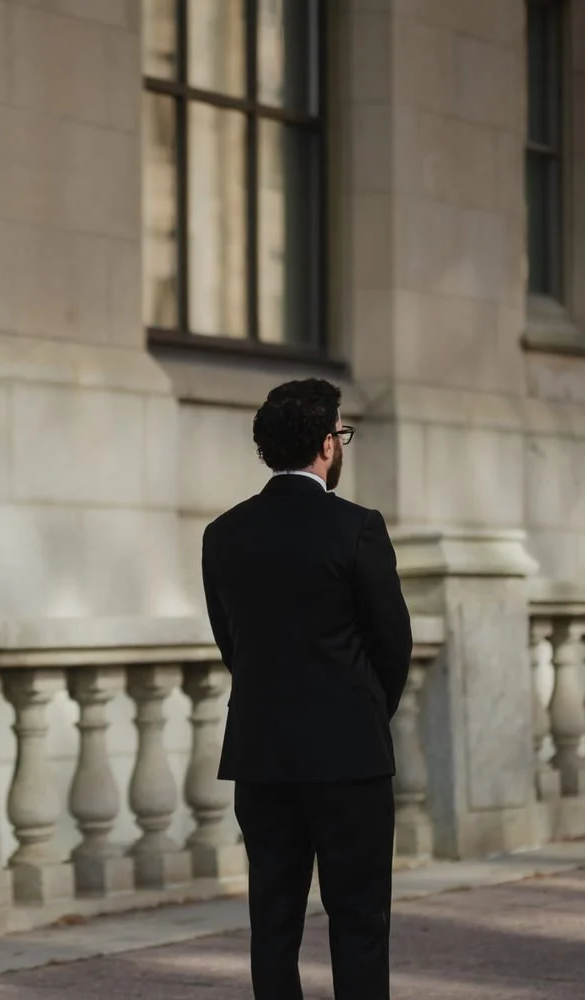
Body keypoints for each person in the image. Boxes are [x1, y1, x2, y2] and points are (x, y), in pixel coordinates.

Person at [201, 379, 412, 1000]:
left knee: (272, 923)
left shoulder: (223, 533)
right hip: (349, 757)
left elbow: (231, 644)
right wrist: (365, 712)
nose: (340, 444)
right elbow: (392, 644)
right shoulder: (358, 527)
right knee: (360, 922)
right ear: (326, 444)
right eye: (340, 434)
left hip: (261, 755)